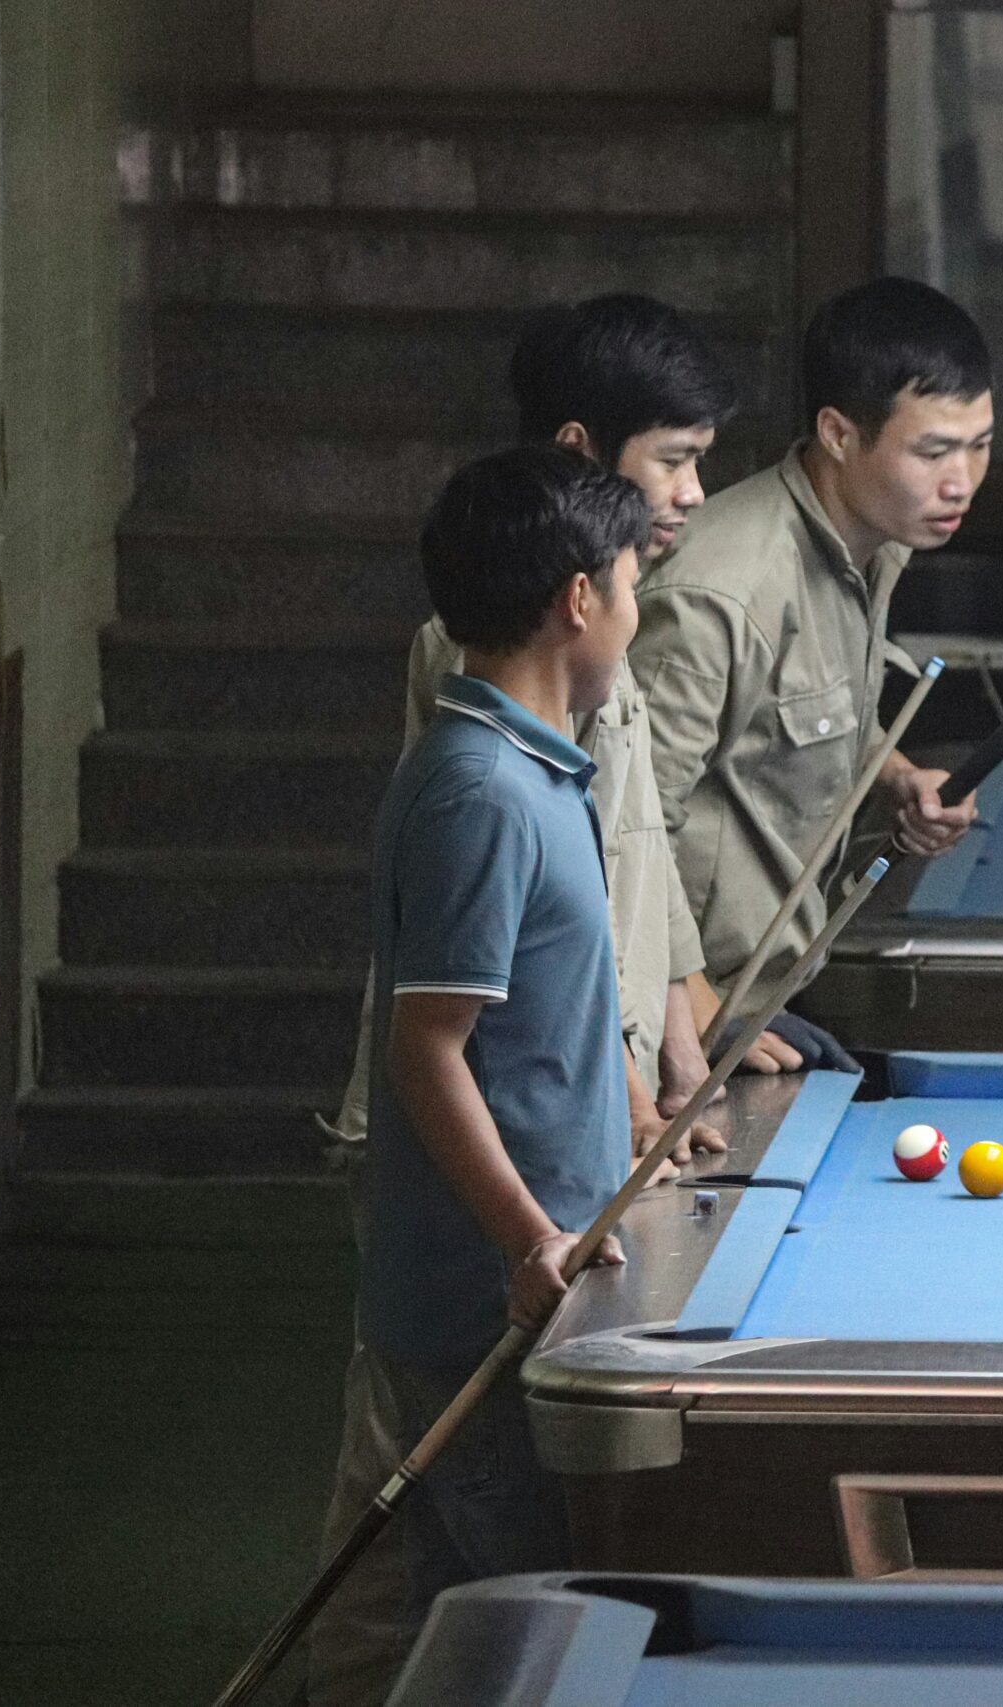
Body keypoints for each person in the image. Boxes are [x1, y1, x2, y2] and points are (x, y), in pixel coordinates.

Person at [312, 448, 650, 1705]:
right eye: (628, 581)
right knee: (520, 1629)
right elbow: (425, 1051)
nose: (635, 607)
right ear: (578, 599)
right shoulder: (482, 790)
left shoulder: (535, 763)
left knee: (492, 1621)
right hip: (485, 1308)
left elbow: (539, 1026)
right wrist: (526, 1238)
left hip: (520, 1286)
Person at [330, 293, 739, 1153]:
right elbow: (530, 935)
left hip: (577, 1089)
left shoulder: (599, 624)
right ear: (578, 450)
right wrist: (628, 1101)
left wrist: (680, 1052)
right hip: (503, 1115)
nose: (694, 492)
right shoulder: (504, 642)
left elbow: (637, 843)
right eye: (673, 460)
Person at [633, 276, 992, 1066]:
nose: (962, 479)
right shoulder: (718, 591)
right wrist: (697, 1004)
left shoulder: (877, 542)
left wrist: (896, 779)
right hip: (674, 1015)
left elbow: (800, 720)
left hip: (759, 992)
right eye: (932, 450)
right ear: (837, 432)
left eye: (980, 444)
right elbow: (620, 825)